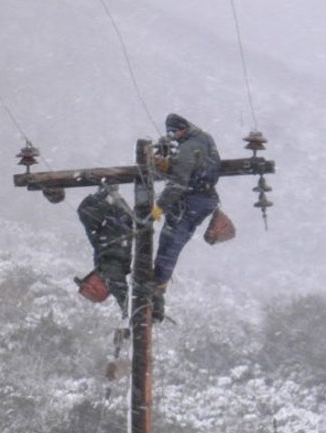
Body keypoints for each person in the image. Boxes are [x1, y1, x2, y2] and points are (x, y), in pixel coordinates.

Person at [150, 113, 221, 322]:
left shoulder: (187, 148)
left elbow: (179, 182)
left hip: (191, 201)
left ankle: (156, 292)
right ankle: (157, 291)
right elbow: (198, 168)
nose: (172, 136)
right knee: (174, 243)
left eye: (173, 132)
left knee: (169, 243)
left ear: (181, 129)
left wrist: (159, 207)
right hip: (205, 200)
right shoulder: (205, 138)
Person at [77, 184, 133, 316]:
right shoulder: (111, 273)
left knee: (85, 213)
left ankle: (105, 192)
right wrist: (127, 314)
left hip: (110, 235)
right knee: (85, 212)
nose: (88, 280)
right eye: (88, 284)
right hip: (115, 231)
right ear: (96, 287)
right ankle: (106, 193)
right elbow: (122, 295)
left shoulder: (104, 270)